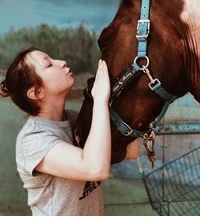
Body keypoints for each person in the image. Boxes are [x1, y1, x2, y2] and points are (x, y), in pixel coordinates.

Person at [0, 47, 139, 216]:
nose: (61, 62)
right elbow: (95, 169)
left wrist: (135, 95)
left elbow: (129, 152)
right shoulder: (32, 140)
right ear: (36, 92)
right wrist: (100, 99)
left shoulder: (74, 120)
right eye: (49, 65)